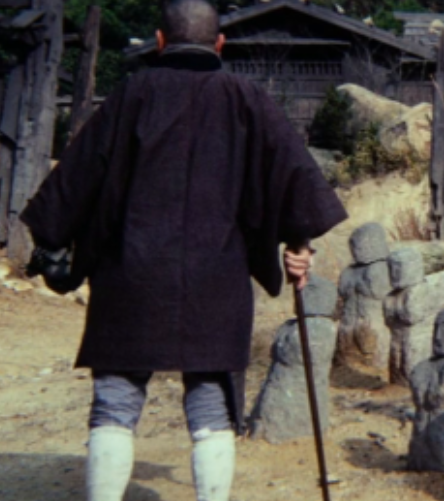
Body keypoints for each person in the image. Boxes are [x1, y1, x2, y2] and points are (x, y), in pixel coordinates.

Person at [19, 1, 347, 500]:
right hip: (216, 276)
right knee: (211, 404)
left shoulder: (131, 93)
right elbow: (293, 174)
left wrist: (51, 240)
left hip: (130, 272)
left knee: (115, 400)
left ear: (159, 40)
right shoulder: (247, 98)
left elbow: (79, 174)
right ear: (220, 43)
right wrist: (298, 242)